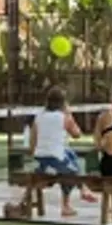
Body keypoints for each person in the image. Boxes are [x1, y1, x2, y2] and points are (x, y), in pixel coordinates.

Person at [30, 86, 84, 217]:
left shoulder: (39, 116)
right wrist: (69, 114)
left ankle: (45, 174)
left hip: (41, 156)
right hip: (55, 157)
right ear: (63, 102)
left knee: (70, 155)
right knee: (73, 173)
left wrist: (34, 153)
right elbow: (77, 134)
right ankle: (66, 205)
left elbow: (33, 139)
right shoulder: (64, 117)